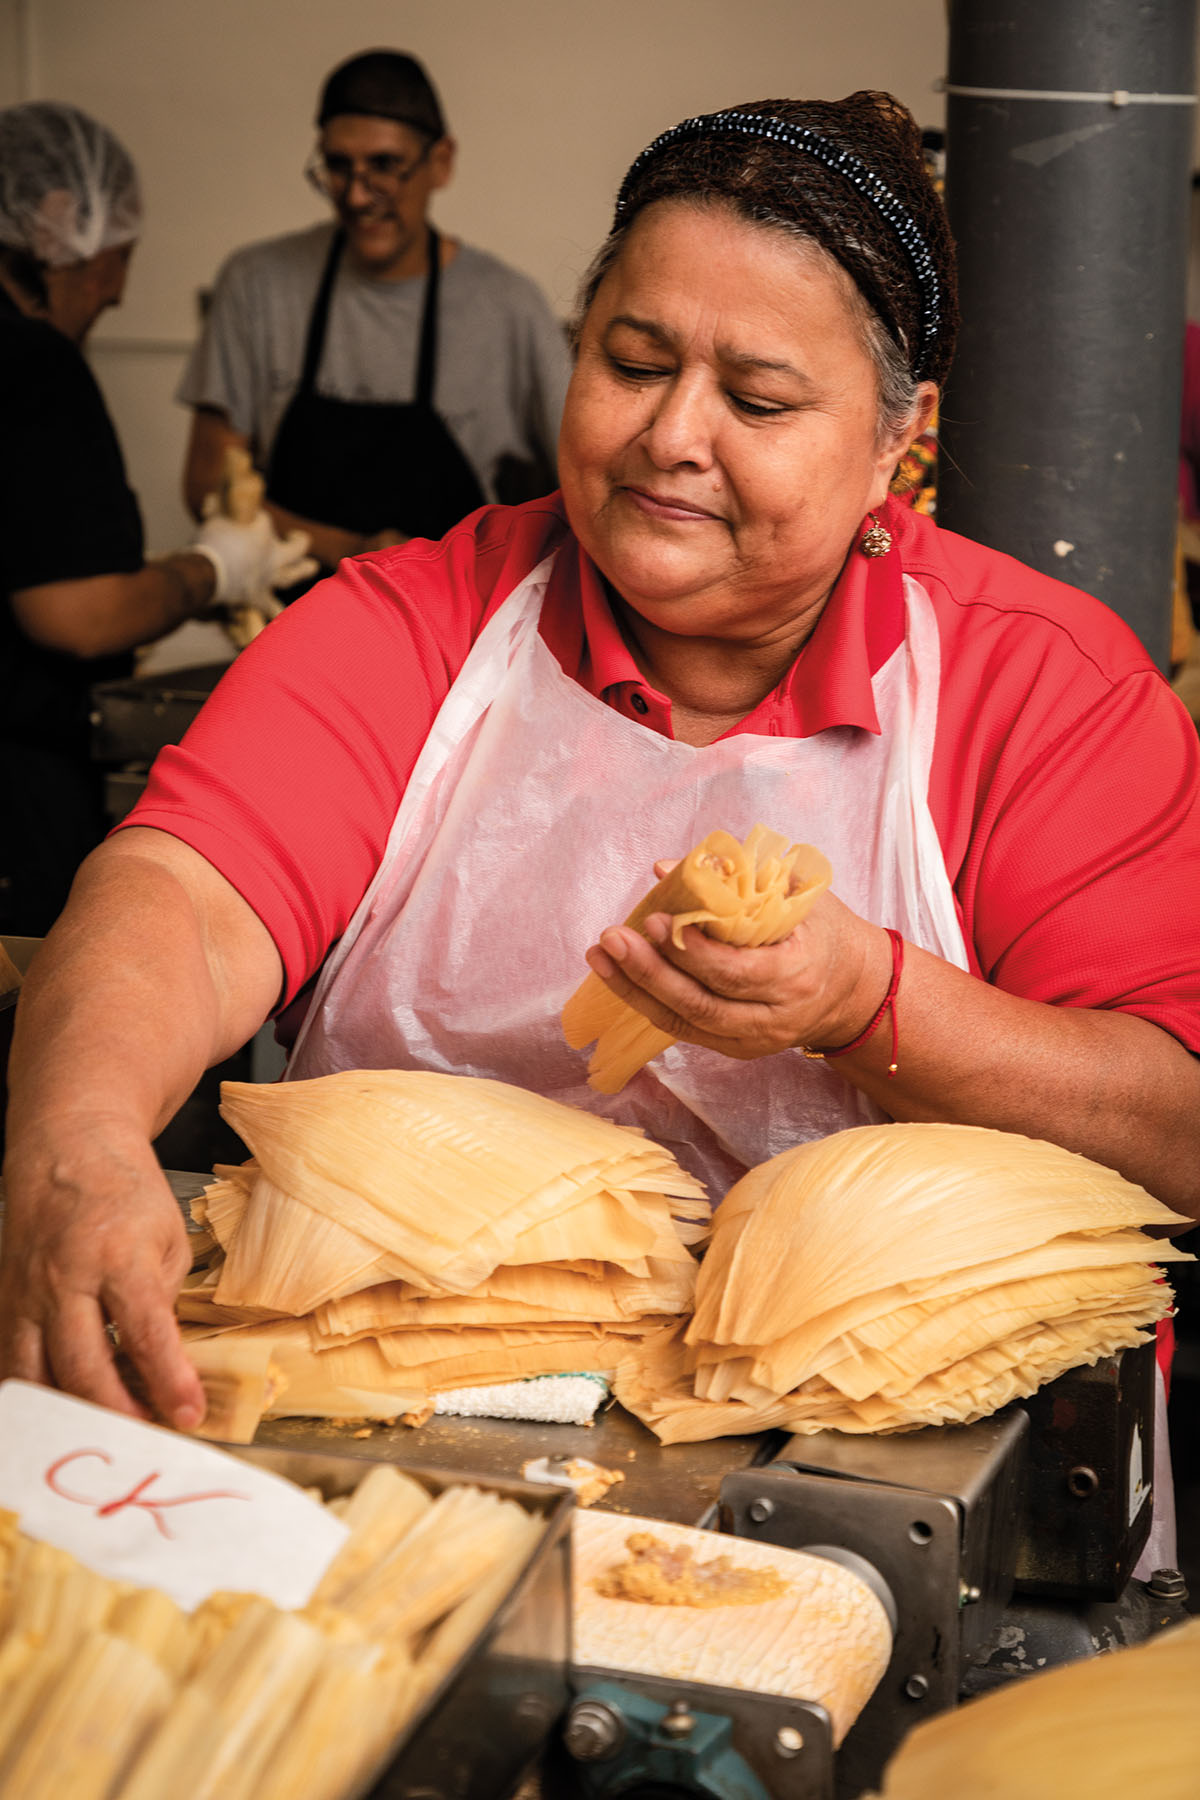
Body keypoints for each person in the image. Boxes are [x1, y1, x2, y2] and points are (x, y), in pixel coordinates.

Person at [3, 92, 1199, 1458]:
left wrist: (869, 999)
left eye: (757, 399)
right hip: (407, 1437)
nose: (671, 436)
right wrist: (81, 1134)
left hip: (889, 1473)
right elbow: (182, 896)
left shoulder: (1039, 686)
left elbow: (1175, 1122)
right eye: (632, 362)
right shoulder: (421, 620)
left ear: (896, 440)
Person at [0, 102, 315, 934]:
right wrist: (214, 568)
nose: (119, 288)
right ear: (60, 228)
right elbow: (81, 615)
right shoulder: (34, 365)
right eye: (117, 257)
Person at [178, 48, 572, 578]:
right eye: (338, 167)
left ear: (441, 162)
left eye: (384, 166)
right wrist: (354, 549)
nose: (358, 196)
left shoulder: (509, 308)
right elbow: (209, 484)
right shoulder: (257, 284)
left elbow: (583, 485)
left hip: (449, 620)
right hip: (288, 606)